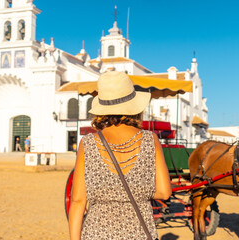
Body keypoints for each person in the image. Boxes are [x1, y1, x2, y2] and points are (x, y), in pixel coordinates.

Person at [69, 71, 171, 240]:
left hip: (97, 234)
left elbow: (78, 201)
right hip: (139, 234)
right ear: (134, 106)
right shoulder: (150, 140)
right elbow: (164, 192)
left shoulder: (87, 143)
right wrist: (136, 190)